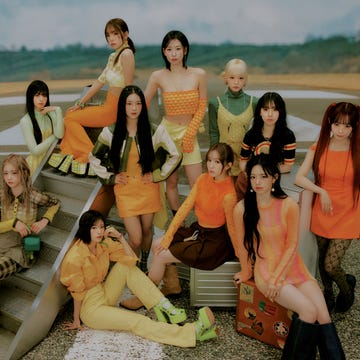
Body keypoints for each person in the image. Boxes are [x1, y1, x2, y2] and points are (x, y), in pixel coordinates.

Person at [233, 154, 344, 359]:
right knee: (308, 312)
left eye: (263, 177)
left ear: (274, 177)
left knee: (324, 316)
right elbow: (242, 246)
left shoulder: (288, 205)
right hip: (267, 272)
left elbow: (292, 244)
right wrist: (246, 270)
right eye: (253, 177)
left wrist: (280, 278)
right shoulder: (241, 209)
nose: (257, 182)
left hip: (294, 267)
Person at [60, 210, 218, 347]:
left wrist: (121, 237)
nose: (99, 231)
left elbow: (131, 259)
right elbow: (77, 293)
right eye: (94, 228)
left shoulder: (103, 244)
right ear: (85, 230)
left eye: (101, 227)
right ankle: (192, 332)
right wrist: (76, 320)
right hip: (91, 310)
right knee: (136, 321)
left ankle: (165, 307)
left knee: (125, 266)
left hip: (103, 293)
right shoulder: (75, 257)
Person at [121, 143, 238, 310]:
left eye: (217, 162)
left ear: (228, 165)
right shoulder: (203, 179)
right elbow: (184, 209)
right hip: (198, 230)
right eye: (209, 160)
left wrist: (243, 259)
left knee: (161, 255)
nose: (211, 166)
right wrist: (168, 237)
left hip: (214, 242)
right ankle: (172, 285)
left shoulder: (229, 194)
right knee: (157, 244)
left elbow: (233, 228)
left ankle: (144, 297)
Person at [89, 85, 181, 272]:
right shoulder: (111, 131)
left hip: (148, 188)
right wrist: (111, 178)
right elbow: (94, 157)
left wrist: (157, 175)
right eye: (129, 103)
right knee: (136, 237)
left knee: (147, 231)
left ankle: (142, 265)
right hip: (125, 190)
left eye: (138, 103)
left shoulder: (155, 130)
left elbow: (175, 154)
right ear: (122, 106)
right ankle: (133, 265)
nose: (134, 108)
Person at [49, 18, 135, 179]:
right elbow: (99, 81)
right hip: (108, 106)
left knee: (70, 119)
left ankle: (88, 154)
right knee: (71, 115)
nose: (111, 38)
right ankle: (75, 154)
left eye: (115, 34)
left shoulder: (127, 53)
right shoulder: (113, 56)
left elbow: (129, 86)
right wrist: (81, 103)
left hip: (115, 109)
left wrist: (128, 116)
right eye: (108, 35)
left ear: (125, 34)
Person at [295, 102, 360, 314]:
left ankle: (347, 291)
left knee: (332, 265)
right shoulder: (319, 147)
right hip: (322, 211)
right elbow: (299, 178)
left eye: (348, 126)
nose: (341, 130)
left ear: (354, 127)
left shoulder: (357, 150)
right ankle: (328, 294)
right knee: (323, 262)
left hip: (349, 213)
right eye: (338, 124)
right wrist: (321, 191)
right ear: (330, 123)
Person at [144, 30, 207, 217]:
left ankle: (201, 222)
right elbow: (141, 103)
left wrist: (190, 133)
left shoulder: (199, 74)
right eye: (169, 49)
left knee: (197, 184)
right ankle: (177, 223)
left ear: (185, 50)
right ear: (164, 51)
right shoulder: (158, 76)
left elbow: (202, 105)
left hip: (190, 131)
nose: (174, 53)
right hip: (167, 133)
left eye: (178, 49)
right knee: (170, 182)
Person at [0, 154, 60, 280]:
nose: (9, 177)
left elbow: (55, 203)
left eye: (14, 173)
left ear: (24, 173)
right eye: (5, 173)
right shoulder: (2, 195)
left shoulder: (33, 195)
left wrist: (45, 220)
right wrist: (13, 223)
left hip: (23, 247)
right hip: (4, 241)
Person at [235, 92, 296, 200]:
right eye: (266, 109)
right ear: (259, 112)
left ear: (281, 112)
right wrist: (254, 174)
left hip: (275, 180)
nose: (270, 114)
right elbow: (243, 160)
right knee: (241, 180)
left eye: (275, 109)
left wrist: (265, 174)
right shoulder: (250, 135)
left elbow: (288, 166)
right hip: (253, 179)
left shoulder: (288, 136)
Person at [208, 58, 257, 176]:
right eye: (232, 77)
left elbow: (257, 133)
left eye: (240, 78)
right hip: (224, 158)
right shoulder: (215, 103)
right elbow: (214, 133)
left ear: (245, 80)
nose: (236, 82)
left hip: (246, 158)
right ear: (225, 78)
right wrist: (215, 160)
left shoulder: (254, 102)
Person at [20, 80, 64, 176]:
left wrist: (58, 110)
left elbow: (60, 134)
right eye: (37, 95)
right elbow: (35, 151)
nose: (41, 99)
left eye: (44, 95)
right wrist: (54, 137)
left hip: (52, 161)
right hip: (35, 166)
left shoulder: (51, 113)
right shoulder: (26, 121)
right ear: (30, 97)